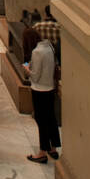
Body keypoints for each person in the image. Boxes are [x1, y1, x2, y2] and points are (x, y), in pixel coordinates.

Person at [25, 34, 61, 163]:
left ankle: (42, 152)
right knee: (51, 118)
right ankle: (53, 147)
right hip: (50, 88)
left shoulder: (37, 51)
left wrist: (27, 69)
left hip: (39, 90)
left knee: (42, 120)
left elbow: (35, 76)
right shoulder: (49, 47)